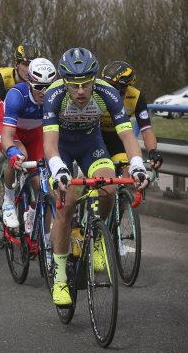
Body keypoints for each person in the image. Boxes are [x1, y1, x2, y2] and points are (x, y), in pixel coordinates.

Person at [43, 47, 149, 306]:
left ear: (94, 81)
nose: (81, 91)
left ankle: (98, 237)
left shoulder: (108, 93)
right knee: (66, 204)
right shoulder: (54, 95)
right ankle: (59, 278)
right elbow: (50, 144)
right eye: (75, 85)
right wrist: (59, 170)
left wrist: (137, 165)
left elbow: (127, 136)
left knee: (109, 188)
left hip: (92, 144)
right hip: (63, 148)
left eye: (86, 84)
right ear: (65, 82)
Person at [0, 42, 41, 225]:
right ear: (16, 64)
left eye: (31, 64)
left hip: (23, 123)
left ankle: (31, 203)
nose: (28, 68)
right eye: (24, 64)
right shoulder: (3, 76)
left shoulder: (38, 80)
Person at [0, 58, 56, 228]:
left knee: (40, 183)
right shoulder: (17, 95)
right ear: (29, 82)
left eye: (48, 87)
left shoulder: (56, 98)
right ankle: (7, 200)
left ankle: (37, 215)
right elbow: (7, 136)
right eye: (38, 87)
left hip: (34, 133)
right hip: (9, 130)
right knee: (21, 155)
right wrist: (12, 153)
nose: (44, 92)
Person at [100, 61, 163, 171]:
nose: (108, 89)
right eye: (106, 84)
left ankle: (123, 188)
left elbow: (146, 129)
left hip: (119, 139)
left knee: (127, 172)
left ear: (125, 86)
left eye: (113, 86)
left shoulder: (136, 97)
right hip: (97, 138)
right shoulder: (97, 93)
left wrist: (152, 151)